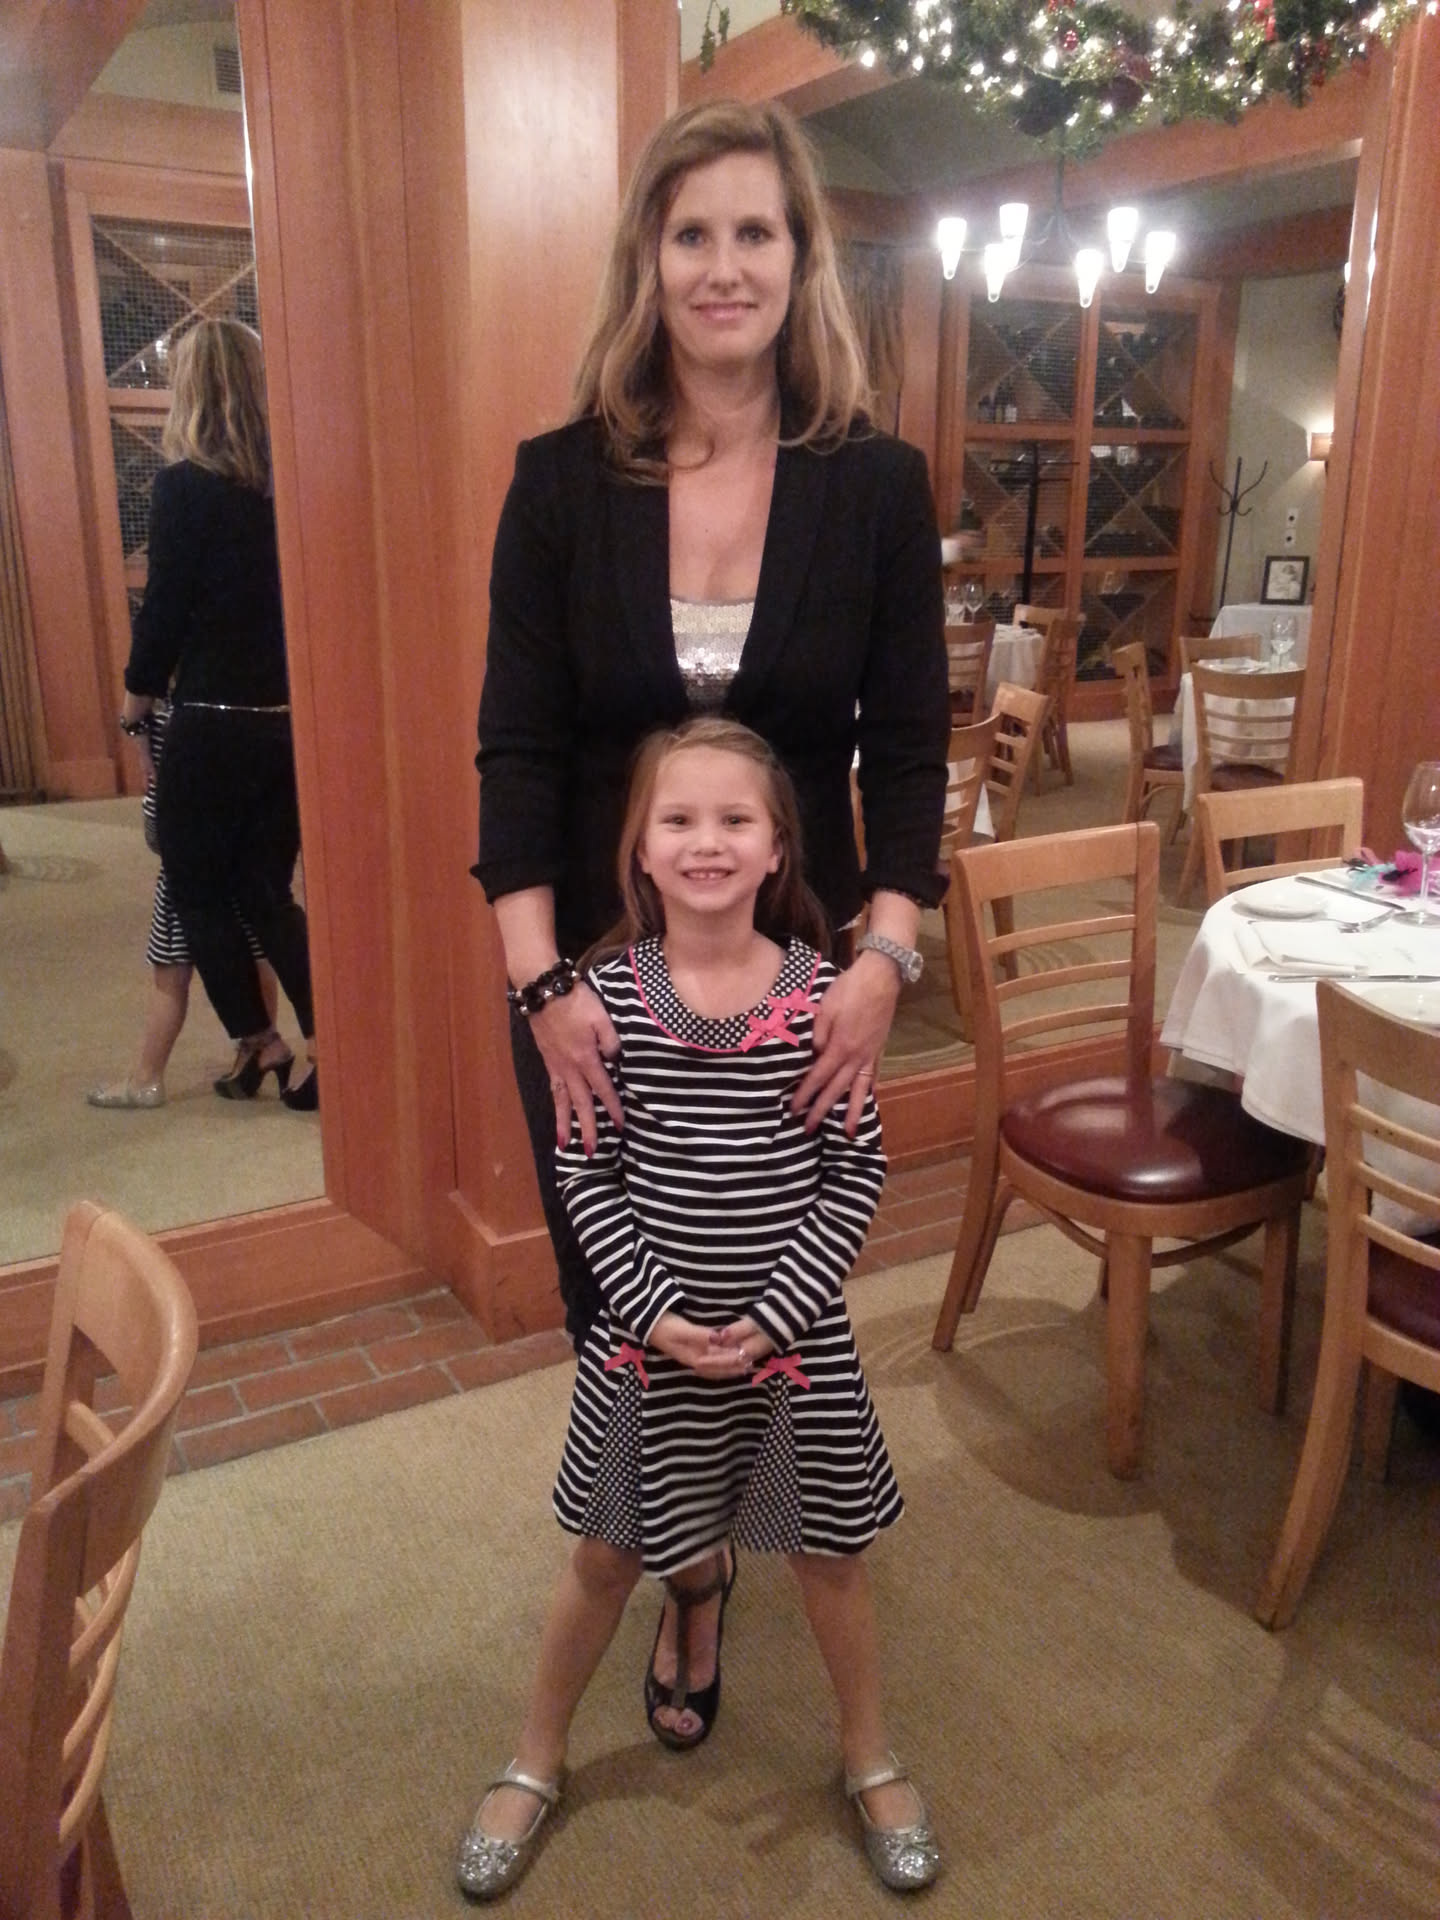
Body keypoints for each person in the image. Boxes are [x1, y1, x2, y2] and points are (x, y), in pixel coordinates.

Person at [472, 98, 947, 1758]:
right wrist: (541, 985)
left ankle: (763, 1526)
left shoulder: (875, 485)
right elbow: (517, 753)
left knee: (775, 1272)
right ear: (649, 261)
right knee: (620, 1289)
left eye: (757, 232)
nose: (724, 266)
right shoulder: (557, 482)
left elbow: (912, 749)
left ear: (801, 260)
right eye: (692, 235)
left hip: (801, 971)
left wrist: (886, 960)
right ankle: (684, 1574)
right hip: (589, 981)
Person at [458, 719, 940, 1900]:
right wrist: (647, 1310)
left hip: (797, 1348)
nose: (706, 841)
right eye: (677, 819)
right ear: (638, 848)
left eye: (735, 819)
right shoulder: (599, 1005)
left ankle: (870, 1754)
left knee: (831, 1558)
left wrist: (779, 1314)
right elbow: (582, 1171)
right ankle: (535, 1757)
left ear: (778, 848)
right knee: (605, 1559)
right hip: (646, 1348)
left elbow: (855, 1171)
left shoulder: (826, 1000)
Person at [118, 317, 318, 1112]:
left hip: (209, 720)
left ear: (191, 392)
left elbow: (164, 610)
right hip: (285, 721)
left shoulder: (184, 487)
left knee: (195, 885)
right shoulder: (288, 487)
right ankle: (329, 1043)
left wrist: (134, 701)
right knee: (268, 891)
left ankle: (261, 1040)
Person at [89, 702, 282, 1110]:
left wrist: (140, 742)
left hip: (188, 872)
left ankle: (147, 1077)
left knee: (170, 978)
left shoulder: (169, 719)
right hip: (244, 867)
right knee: (256, 955)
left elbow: (159, 830)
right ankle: (258, 1048)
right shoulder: (241, 703)